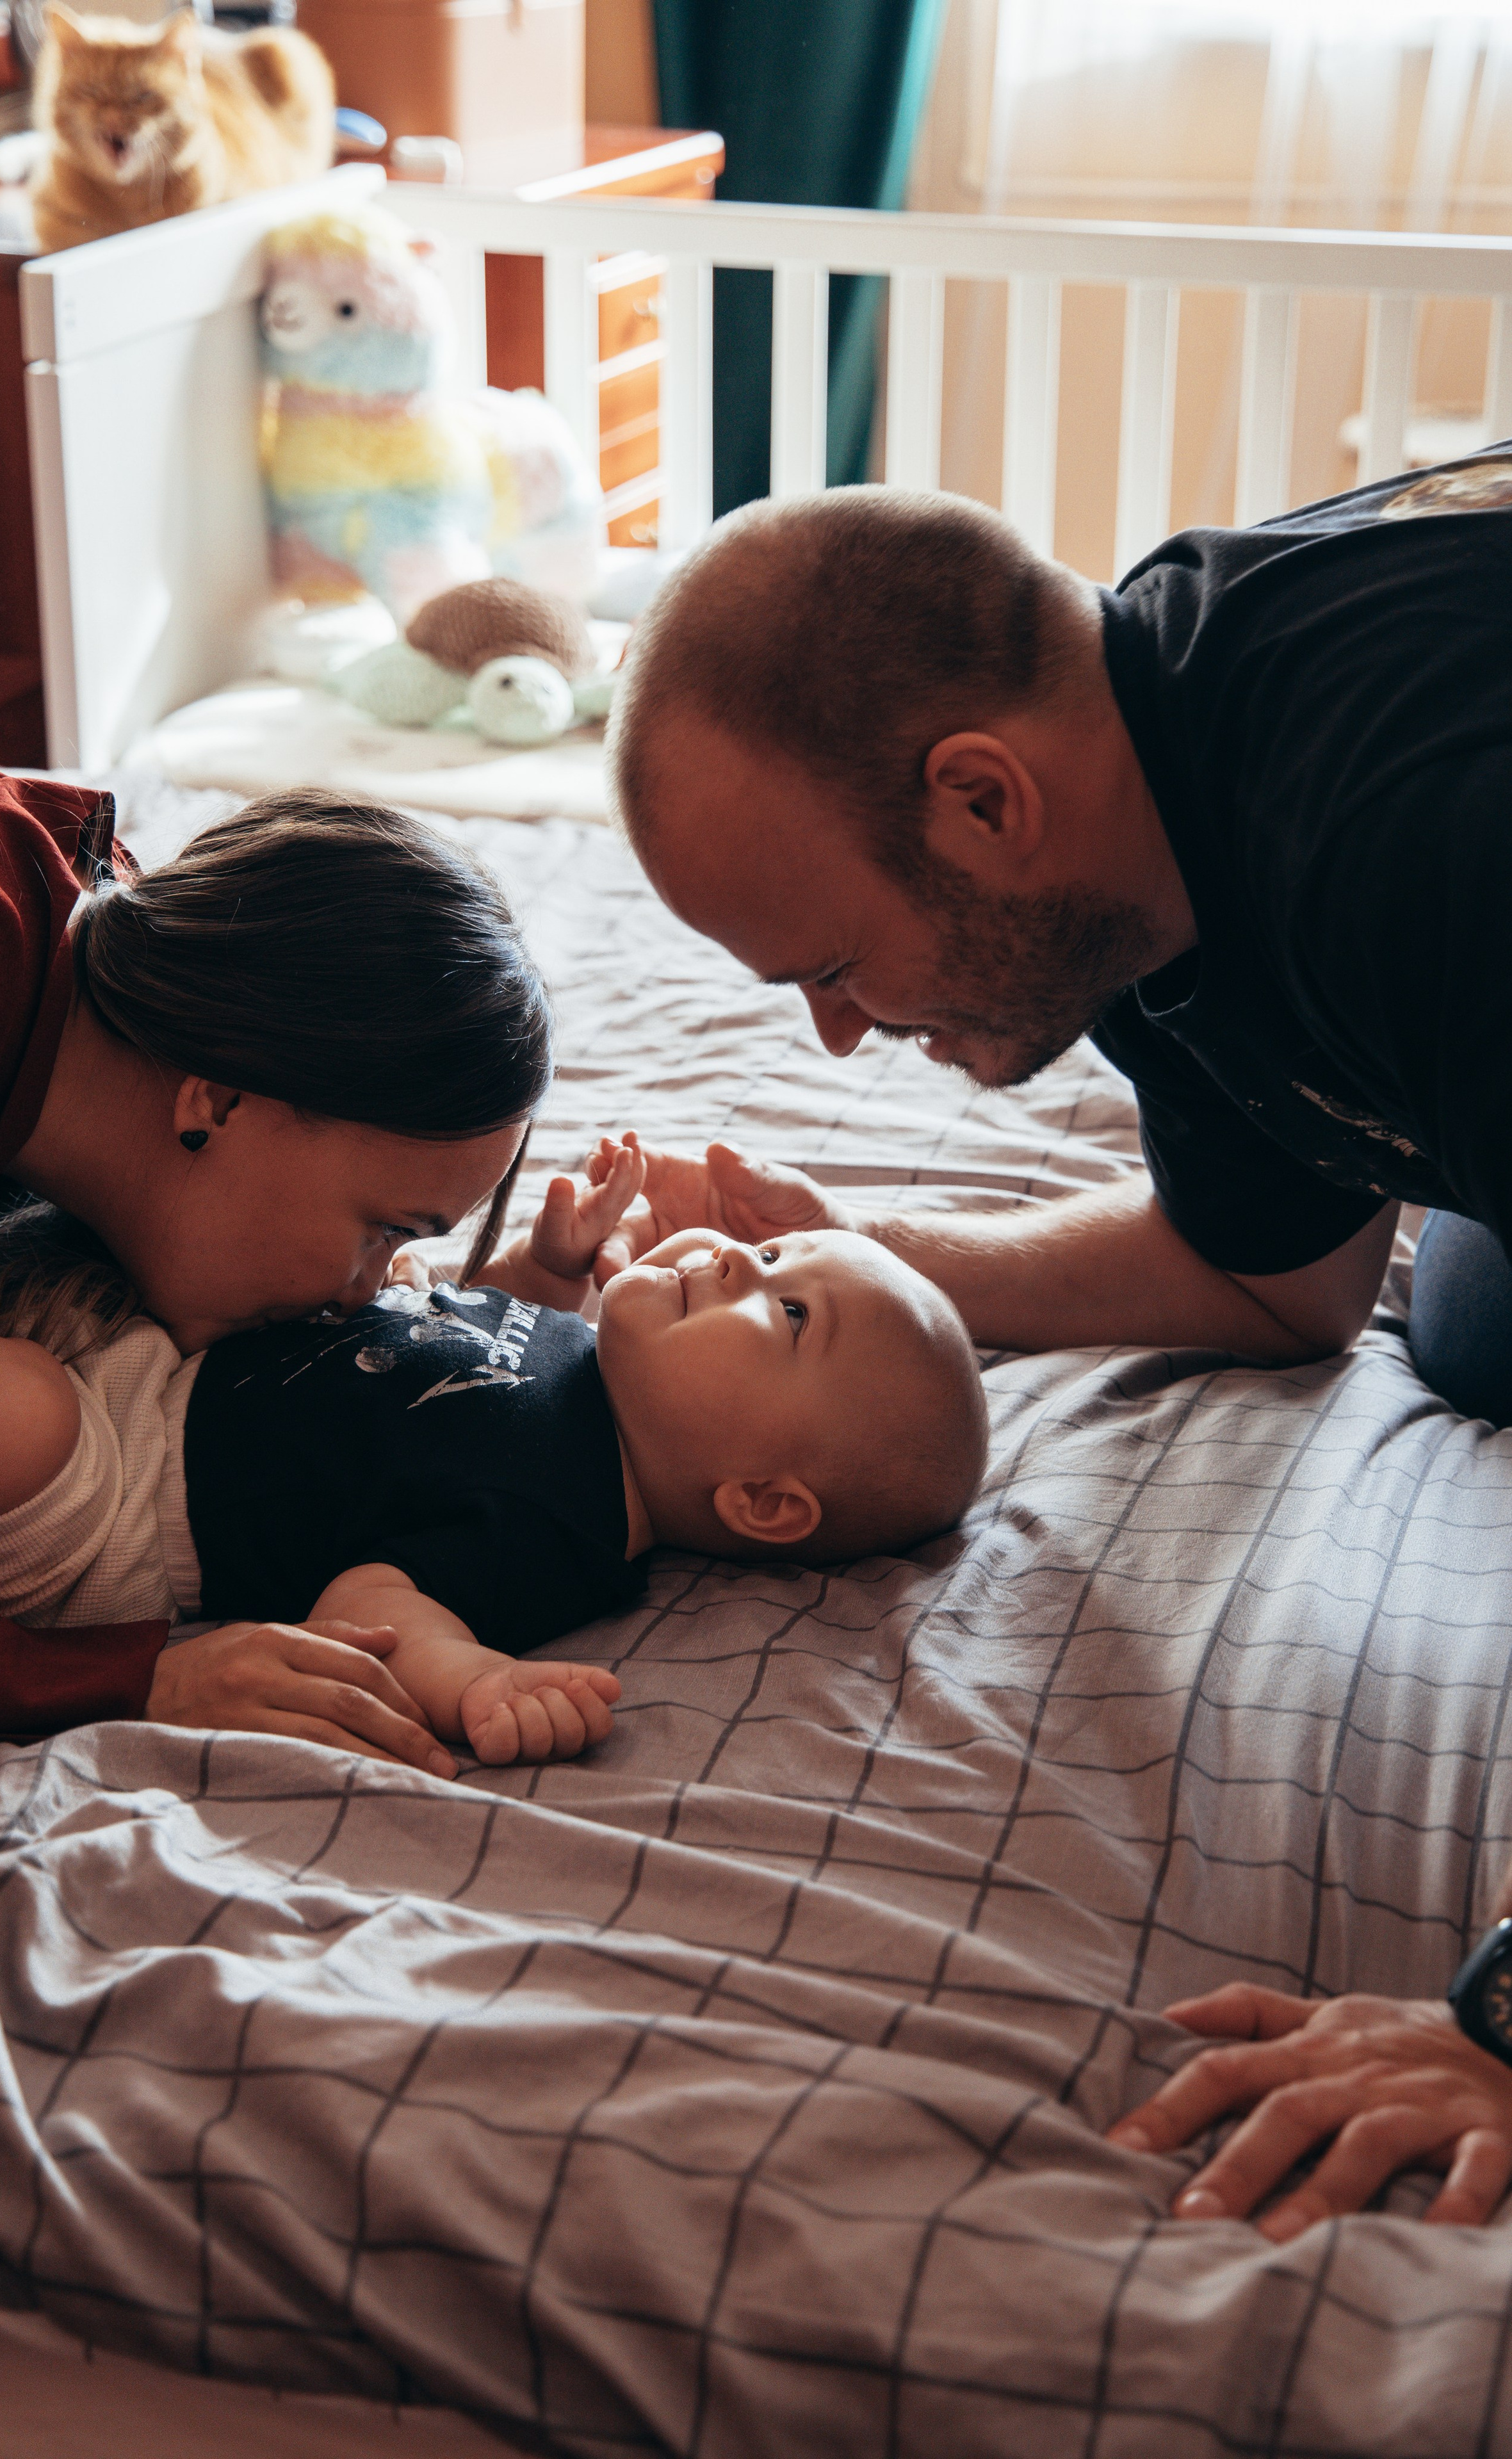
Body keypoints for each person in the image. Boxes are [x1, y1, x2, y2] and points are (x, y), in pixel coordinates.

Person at [602, 470, 1512, 2230]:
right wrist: (846, 1259)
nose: (843, 1037)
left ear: (981, 797)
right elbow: (1280, 1288)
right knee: (1464, 1323)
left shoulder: (1426, 841)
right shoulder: (1141, 822)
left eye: (844, 965)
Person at [0, 1137, 988, 1771]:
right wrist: (545, 1266)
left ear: (761, 1501)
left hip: (110, 1502)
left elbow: (377, 1601)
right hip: (157, 1354)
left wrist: (479, 1683)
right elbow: (459, 1333)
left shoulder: (565, 1523)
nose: (744, 1265)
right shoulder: (578, 1353)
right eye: (774, 1249)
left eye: (791, 1316)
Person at [0, 742, 549, 1764]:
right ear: (222, 1098)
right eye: (384, 1231)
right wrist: (134, 1676)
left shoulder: (135, 958)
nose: (357, 1296)